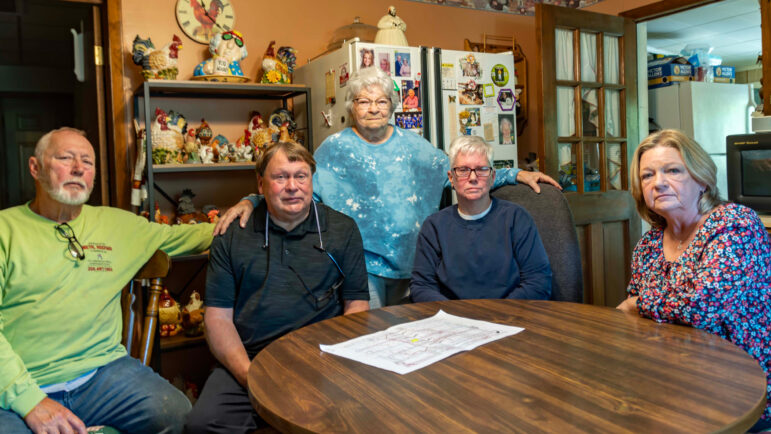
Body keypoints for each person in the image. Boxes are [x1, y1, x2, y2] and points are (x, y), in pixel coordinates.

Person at [215, 67, 560, 309]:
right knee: (376, 343)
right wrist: (251, 201)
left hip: (419, 266)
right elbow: (295, 189)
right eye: (364, 102)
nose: (373, 108)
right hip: (363, 267)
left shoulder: (415, 146)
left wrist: (515, 175)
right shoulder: (334, 148)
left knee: (416, 345)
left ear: (392, 107)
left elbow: (461, 173)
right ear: (351, 108)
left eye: (381, 102)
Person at [0, 128, 213, 433]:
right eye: (64, 158)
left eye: (87, 162)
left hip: (103, 374)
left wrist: (253, 206)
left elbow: (189, 236)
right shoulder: (5, 230)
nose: (77, 168)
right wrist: (31, 401)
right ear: (35, 167)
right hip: (21, 381)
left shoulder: (118, 225)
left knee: (175, 413)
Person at [186, 142, 369, 433]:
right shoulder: (231, 234)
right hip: (251, 360)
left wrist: (336, 366)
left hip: (322, 359)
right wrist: (252, 378)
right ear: (260, 184)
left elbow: (357, 306)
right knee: (203, 425)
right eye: (280, 177)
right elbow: (217, 319)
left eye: (301, 176)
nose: (292, 186)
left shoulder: (342, 229)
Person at [616, 129, 771, 432]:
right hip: (671, 381)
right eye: (647, 175)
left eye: (673, 170)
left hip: (741, 389)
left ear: (701, 179)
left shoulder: (734, 224)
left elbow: (703, 307)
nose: (658, 182)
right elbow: (634, 324)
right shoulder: (647, 246)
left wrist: (639, 303)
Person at [411, 136, 552, 302]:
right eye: (463, 170)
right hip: (453, 322)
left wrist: (497, 314)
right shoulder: (434, 227)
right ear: (451, 178)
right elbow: (421, 286)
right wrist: (455, 317)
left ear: (492, 177)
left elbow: (538, 282)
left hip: (508, 318)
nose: (472, 178)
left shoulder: (516, 219)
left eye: (481, 169)